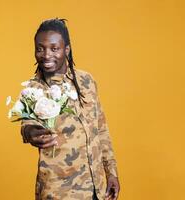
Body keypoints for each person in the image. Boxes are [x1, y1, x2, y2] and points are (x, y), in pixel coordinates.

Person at [20, 18, 120, 200]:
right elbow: (28, 125)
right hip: (59, 192)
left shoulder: (86, 81)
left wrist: (111, 172)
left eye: (54, 48)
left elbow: (101, 130)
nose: (46, 54)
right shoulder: (34, 89)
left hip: (95, 189)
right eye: (39, 48)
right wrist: (30, 132)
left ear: (67, 49)